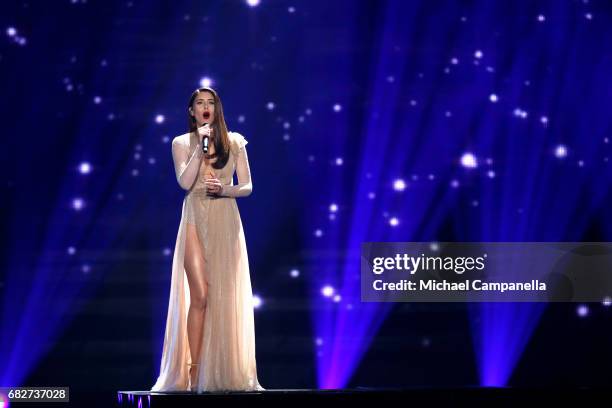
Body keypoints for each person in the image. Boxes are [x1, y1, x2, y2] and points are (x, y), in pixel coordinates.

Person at [152, 87, 263, 392]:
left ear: (217, 108)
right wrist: (200, 151)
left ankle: (222, 370)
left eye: (210, 102)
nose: (205, 107)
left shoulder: (235, 142)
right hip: (193, 215)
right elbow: (185, 182)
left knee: (222, 296)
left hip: (224, 215)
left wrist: (225, 189)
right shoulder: (181, 143)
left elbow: (249, 185)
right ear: (191, 111)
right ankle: (193, 371)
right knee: (199, 295)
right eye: (199, 103)